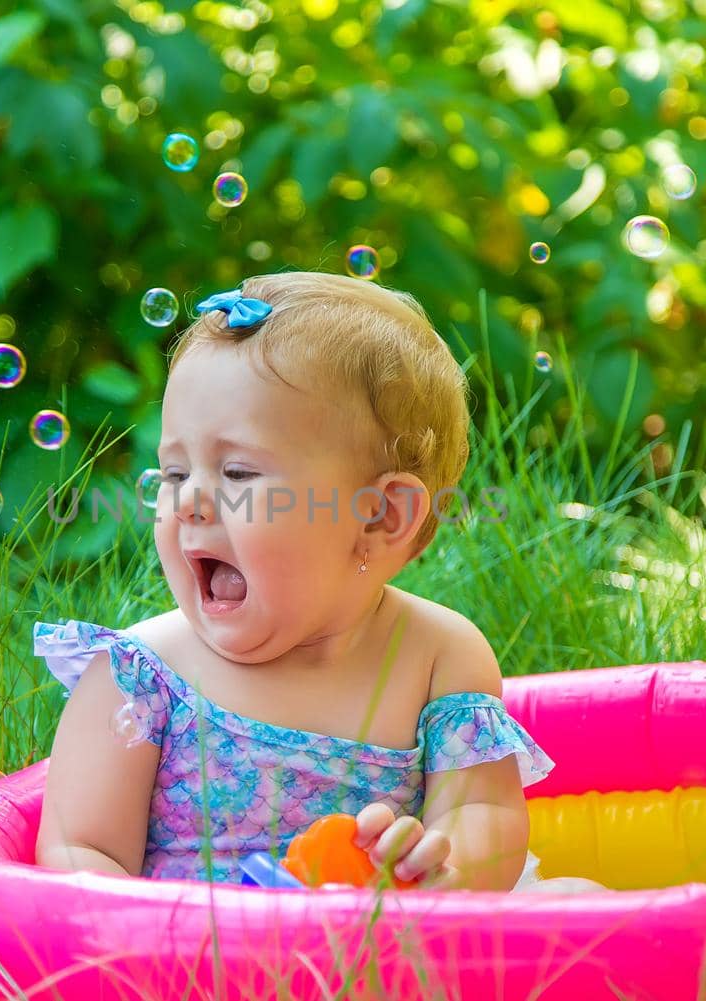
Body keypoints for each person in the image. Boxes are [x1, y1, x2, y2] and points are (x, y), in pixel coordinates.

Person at [34, 271, 598, 894]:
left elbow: (483, 815)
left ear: (382, 516)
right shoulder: (139, 676)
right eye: (173, 472)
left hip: (388, 957)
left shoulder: (438, 656)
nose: (189, 500)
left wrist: (441, 869)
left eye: (239, 471)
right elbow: (76, 847)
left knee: (586, 903)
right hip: (202, 963)